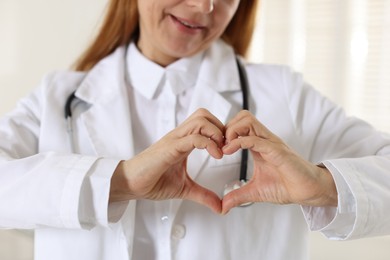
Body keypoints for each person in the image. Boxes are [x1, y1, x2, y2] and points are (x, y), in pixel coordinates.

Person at [1, 0, 390, 259]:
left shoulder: (284, 95)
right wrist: (120, 181)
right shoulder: (58, 97)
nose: (205, 6)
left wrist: (323, 186)